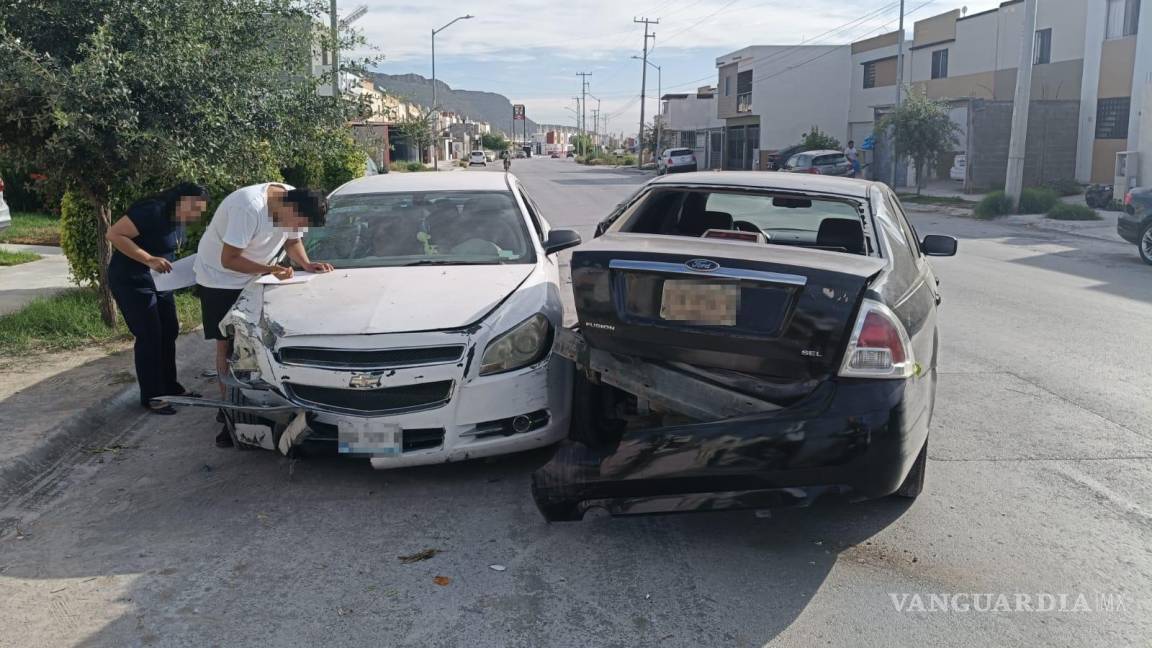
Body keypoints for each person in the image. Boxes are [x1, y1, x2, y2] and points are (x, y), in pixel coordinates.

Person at [194, 183, 333, 447]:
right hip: (220, 279)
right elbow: (229, 259)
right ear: (287, 206)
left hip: (257, 275)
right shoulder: (247, 207)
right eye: (297, 221)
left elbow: (293, 241)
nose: (294, 228)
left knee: (256, 344)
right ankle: (229, 415)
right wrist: (270, 267)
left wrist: (306, 264)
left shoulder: (296, 203)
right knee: (227, 346)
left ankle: (266, 401)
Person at [106, 183, 210, 415]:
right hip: (132, 280)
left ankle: (170, 386)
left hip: (160, 282)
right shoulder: (152, 210)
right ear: (181, 199)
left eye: (199, 210)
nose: (195, 214)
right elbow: (114, 234)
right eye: (193, 207)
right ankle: (153, 395)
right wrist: (148, 259)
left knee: (169, 330)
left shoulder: (177, 221)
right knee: (150, 334)